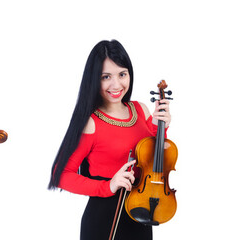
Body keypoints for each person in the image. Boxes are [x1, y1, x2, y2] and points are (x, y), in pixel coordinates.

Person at [48, 40, 171, 240]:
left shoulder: (141, 110)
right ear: (94, 80)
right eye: (106, 77)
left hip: (143, 213)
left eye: (122, 74)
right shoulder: (90, 123)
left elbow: (156, 164)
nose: (116, 85)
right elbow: (61, 175)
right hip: (103, 221)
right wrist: (108, 186)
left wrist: (160, 127)